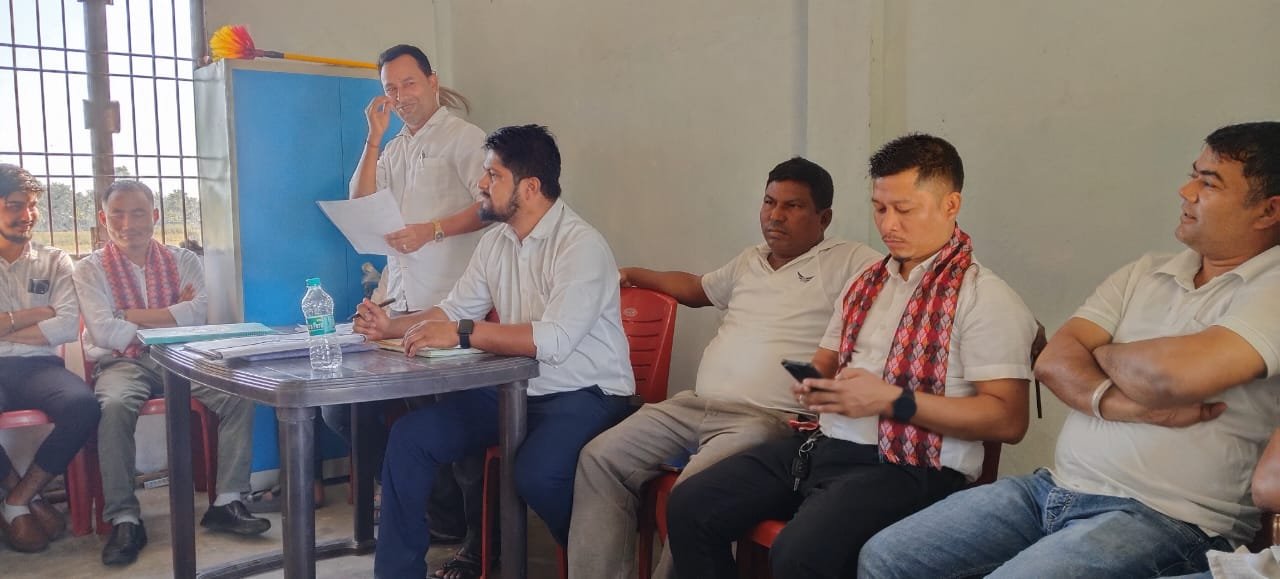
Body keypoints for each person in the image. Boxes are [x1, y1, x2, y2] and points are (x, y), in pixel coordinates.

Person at [859, 121, 1280, 578]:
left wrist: (1101, 353)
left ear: (1269, 210)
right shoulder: (1147, 271)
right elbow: (1054, 361)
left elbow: (1171, 377)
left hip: (1167, 518)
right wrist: (1126, 402)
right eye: (1192, 175)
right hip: (1052, 489)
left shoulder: (1272, 285)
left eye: (1209, 183)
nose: (1186, 191)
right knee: (887, 556)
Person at [666, 134, 1037, 579]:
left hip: (911, 470)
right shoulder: (866, 283)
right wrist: (816, 386)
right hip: (827, 446)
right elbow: (825, 362)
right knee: (690, 507)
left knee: (798, 554)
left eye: (904, 209)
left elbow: (1008, 420)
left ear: (950, 205)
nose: (888, 225)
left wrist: (892, 400)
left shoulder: (983, 297)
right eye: (880, 208)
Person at [567, 156, 882, 579]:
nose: (775, 215)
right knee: (599, 458)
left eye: (792, 206)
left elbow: (897, 286)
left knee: (693, 494)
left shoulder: (849, 261)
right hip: (693, 405)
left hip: (766, 419)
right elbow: (697, 289)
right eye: (769, 202)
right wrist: (633, 273)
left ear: (823, 217)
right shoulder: (750, 260)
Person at [355, 124, 635, 579]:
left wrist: (464, 333)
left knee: (537, 474)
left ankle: (601, 559)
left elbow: (553, 341)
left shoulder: (581, 246)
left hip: (586, 393)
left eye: (493, 175)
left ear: (530, 187)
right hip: (514, 389)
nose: (480, 184)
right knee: (411, 438)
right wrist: (391, 325)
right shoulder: (496, 242)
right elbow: (454, 309)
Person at [333, 42, 493, 549]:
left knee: (454, 423)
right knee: (361, 410)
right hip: (399, 300)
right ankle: (440, 514)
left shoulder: (465, 138)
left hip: (451, 302)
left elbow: (491, 205)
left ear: (432, 81)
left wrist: (433, 230)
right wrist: (374, 138)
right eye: (390, 88)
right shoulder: (396, 145)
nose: (401, 96)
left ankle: (479, 540)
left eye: (409, 83)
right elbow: (361, 202)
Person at [74, 180, 269, 566]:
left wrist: (126, 314)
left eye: (138, 213)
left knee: (238, 394)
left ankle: (228, 501)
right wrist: (170, 315)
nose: (128, 223)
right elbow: (104, 332)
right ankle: (125, 518)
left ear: (155, 216)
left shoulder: (184, 261)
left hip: (182, 357)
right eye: (117, 214)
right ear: (103, 218)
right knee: (114, 406)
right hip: (121, 362)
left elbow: (196, 316)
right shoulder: (89, 268)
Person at [0, 164, 100, 553]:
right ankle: (21, 496)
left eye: (31, 205)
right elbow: (51, 318)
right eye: (14, 205)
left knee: (83, 406)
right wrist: (37, 313)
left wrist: (7, 326)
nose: (26, 215)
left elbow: (65, 325)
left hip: (38, 366)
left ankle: (18, 500)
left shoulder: (54, 260)